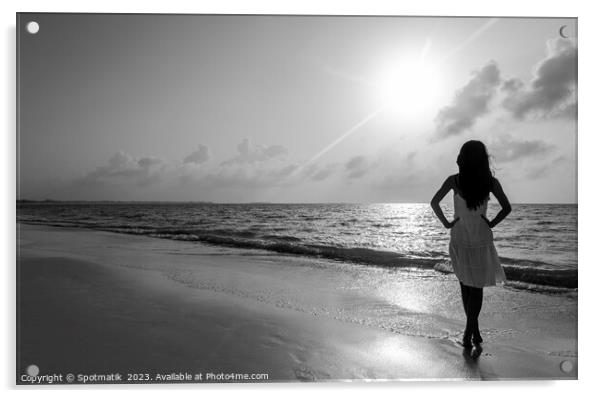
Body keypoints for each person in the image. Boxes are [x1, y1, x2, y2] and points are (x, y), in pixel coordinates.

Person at [430, 140, 511, 349]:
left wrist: (447, 223)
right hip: (480, 238)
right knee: (476, 288)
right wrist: (491, 223)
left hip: (460, 237)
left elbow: (434, 202)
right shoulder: (490, 182)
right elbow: (506, 208)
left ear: (463, 159)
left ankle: (470, 330)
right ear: (483, 159)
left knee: (466, 285)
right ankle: (472, 330)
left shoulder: (454, 180)